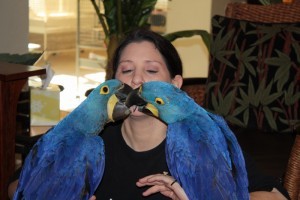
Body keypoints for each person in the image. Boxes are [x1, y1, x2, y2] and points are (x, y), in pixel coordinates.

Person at [8, 28, 290, 200]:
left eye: (152, 71)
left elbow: (277, 196)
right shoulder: (87, 137)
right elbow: (14, 187)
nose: (137, 80)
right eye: (126, 70)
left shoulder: (204, 138)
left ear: (176, 85)